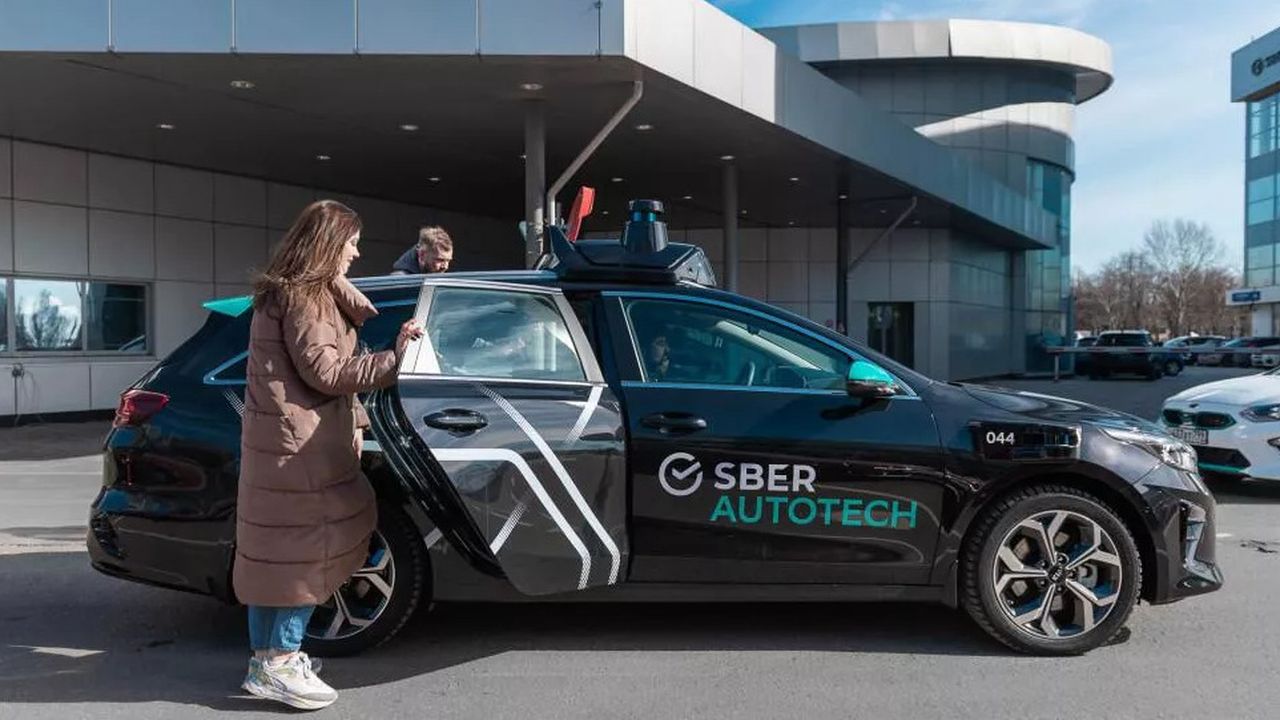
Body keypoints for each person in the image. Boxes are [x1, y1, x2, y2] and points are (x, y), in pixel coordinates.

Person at [235, 200, 422, 711]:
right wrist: (397, 359)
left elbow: (315, 373)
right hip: (301, 451)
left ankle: (267, 663)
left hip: (283, 448)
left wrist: (357, 416)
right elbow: (327, 373)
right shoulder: (309, 297)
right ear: (328, 243)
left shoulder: (287, 290)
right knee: (307, 553)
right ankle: (282, 663)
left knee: (274, 558)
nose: (356, 252)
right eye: (351, 242)